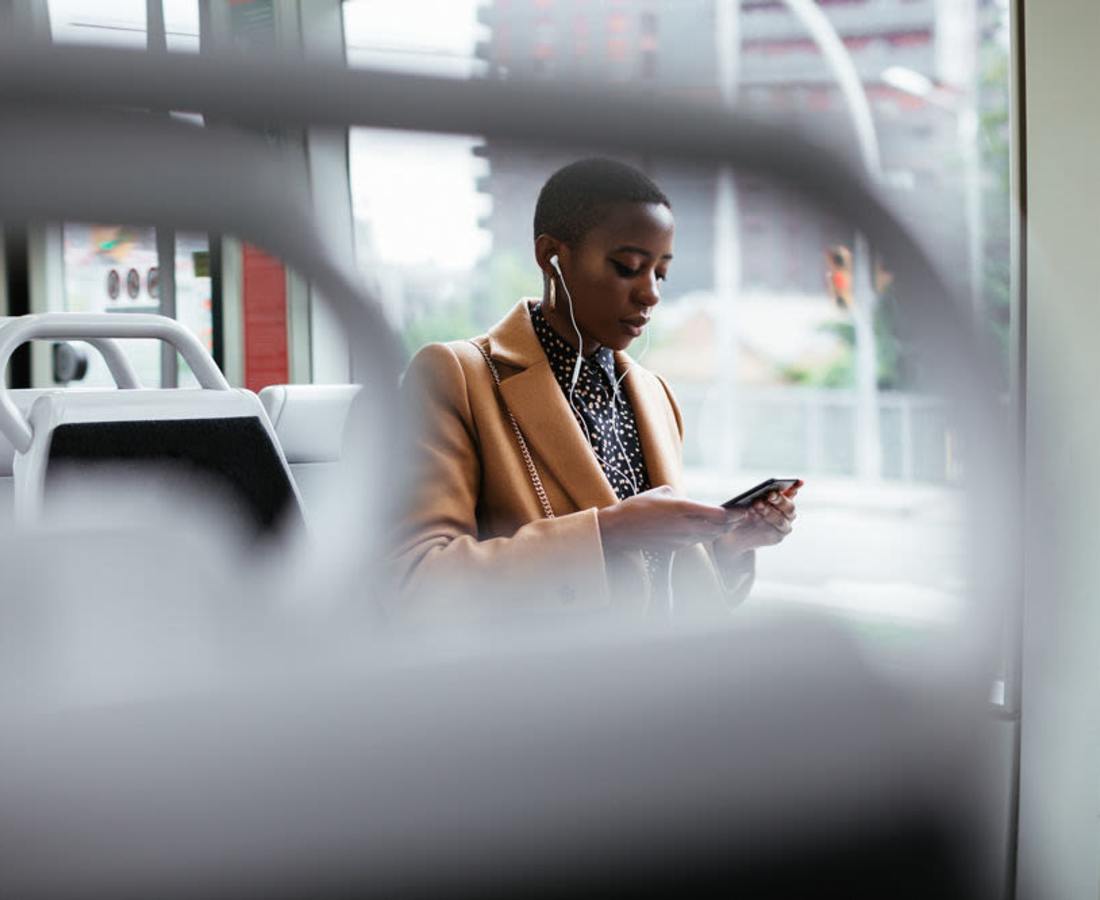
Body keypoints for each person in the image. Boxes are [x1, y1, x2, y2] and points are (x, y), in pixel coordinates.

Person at [391, 158, 799, 620]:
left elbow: (659, 590)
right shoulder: (457, 376)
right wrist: (608, 533)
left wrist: (726, 547)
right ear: (551, 257)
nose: (651, 294)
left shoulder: (655, 395)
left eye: (660, 273)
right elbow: (417, 582)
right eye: (628, 267)